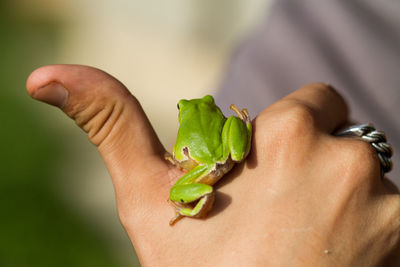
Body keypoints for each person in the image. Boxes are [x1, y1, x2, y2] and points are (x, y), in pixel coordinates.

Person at [26, 1, 400, 265]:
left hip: (207, 170)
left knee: (180, 188)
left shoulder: (265, 71)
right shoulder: (261, 77)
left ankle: (191, 203)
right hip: (233, 153)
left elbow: (182, 155)